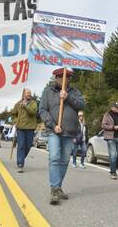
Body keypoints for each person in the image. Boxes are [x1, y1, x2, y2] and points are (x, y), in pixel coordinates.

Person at [39, 67, 85, 205]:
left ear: (69, 79)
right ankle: (54, 189)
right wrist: (53, 125)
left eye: (65, 77)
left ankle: (58, 186)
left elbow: (82, 105)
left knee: (65, 160)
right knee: (54, 158)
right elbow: (42, 110)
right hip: (54, 130)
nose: (62, 79)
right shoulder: (47, 92)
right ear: (55, 78)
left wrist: (68, 97)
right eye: (59, 76)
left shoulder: (75, 92)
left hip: (70, 131)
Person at [12, 88, 38, 173]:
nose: (29, 94)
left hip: (30, 128)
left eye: (30, 93)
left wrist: (25, 106)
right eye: (27, 93)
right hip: (20, 128)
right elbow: (13, 115)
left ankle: (21, 158)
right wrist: (15, 121)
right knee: (21, 146)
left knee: (28, 146)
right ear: (23, 94)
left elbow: (33, 112)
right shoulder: (17, 104)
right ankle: (20, 164)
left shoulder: (33, 103)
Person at [101, 102, 118, 179]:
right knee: (113, 156)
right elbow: (103, 125)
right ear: (112, 107)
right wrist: (113, 127)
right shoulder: (107, 115)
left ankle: (113, 168)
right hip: (110, 138)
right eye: (116, 107)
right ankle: (113, 172)